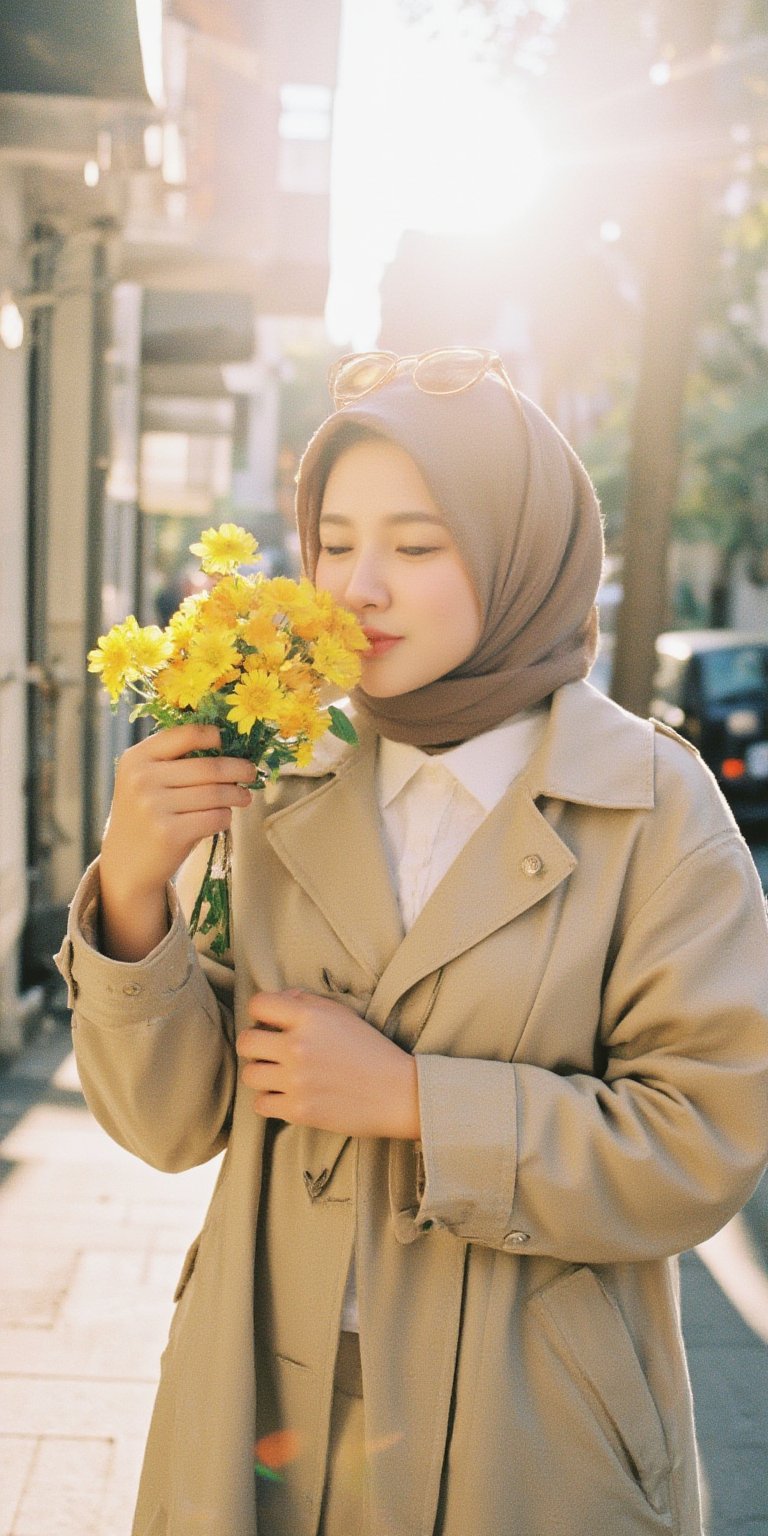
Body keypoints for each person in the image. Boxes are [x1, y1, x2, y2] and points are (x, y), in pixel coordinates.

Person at [56, 348, 768, 1536]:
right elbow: (170, 1123)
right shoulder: (280, 771)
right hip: (255, 1416)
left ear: (519, 552)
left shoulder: (654, 805)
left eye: (418, 546)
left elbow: (703, 1140)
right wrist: (134, 894)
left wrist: (418, 1103)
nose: (358, 588)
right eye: (334, 541)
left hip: (530, 1437)